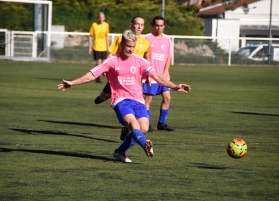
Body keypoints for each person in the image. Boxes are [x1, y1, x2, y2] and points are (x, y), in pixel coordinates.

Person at [57, 30, 191, 163]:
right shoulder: (112, 61)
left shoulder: (140, 61)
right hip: (120, 100)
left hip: (138, 99)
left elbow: (157, 76)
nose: (131, 49)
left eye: (133, 46)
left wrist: (174, 86)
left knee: (143, 128)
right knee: (134, 125)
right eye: (128, 46)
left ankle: (120, 151)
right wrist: (72, 83)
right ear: (122, 44)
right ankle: (145, 144)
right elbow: (92, 74)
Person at [93, 16, 150, 141]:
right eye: (137, 24)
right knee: (104, 96)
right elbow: (111, 52)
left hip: (134, 79)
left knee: (135, 102)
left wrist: (148, 76)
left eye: (142, 24)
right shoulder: (121, 38)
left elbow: (146, 60)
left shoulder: (145, 42)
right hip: (118, 76)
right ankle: (101, 98)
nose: (139, 27)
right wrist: (105, 67)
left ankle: (128, 125)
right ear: (131, 25)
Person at [143, 16, 175, 132]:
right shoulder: (147, 38)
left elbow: (168, 57)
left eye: (161, 26)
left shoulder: (167, 39)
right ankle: (147, 124)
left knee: (167, 98)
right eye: (157, 25)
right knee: (148, 99)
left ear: (164, 26)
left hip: (164, 75)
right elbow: (144, 57)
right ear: (152, 25)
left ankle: (162, 123)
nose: (159, 28)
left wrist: (166, 71)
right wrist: (148, 74)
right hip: (151, 74)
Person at [88, 12, 109, 83]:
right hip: (96, 47)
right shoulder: (94, 25)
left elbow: (107, 36)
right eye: (100, 17)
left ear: (104, 18)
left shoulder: (106, 25)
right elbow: (90, 36)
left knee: (103, 63)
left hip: (103, 47)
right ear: (98, 18)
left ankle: (97, 74)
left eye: (102, 17)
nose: (101, 19)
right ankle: (97, 78)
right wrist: (89, 47)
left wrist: (108, 46)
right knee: (99, 63)